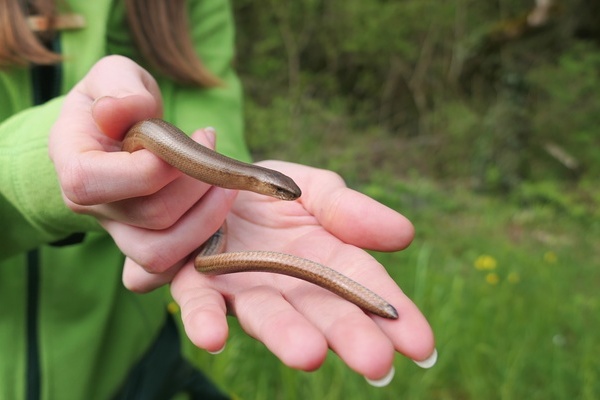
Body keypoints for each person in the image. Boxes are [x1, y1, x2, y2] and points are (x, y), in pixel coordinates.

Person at [0, 0, 436, 398]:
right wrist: (43, 168)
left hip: (137, 370)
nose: (282, 196)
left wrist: (222, 211)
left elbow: (214, 137)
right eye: (278, 191)